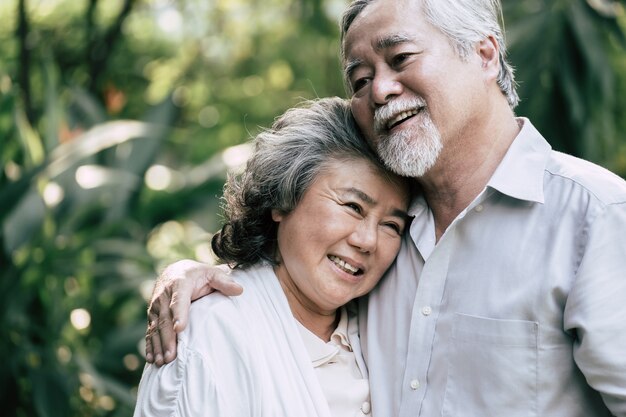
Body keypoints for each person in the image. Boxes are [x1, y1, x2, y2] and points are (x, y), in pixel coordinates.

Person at [144, 1, 626, 416]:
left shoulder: (595, 217)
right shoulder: (388, 229)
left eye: (401, 57)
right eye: (360, 78)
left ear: (484, 54)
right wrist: (191, 277)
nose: (380, 90)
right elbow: (281, 303)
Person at [134, 97, 411, 417]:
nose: (367, 241)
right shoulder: (214, 333)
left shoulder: (381, 325)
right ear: (282, 199)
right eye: (352, 206)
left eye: (392, 225)